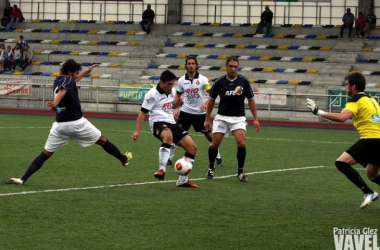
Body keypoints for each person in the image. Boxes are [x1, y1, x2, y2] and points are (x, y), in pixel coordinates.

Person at [10, 59, 133, 185]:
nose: (76, 76)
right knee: (102, 140)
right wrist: (55, 104)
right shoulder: (67, 80)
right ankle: (123, 159)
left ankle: (22, 179)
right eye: (75, 73)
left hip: (60, 127)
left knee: (45, 153)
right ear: (69, 72)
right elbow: (63, 90)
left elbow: (70, 83)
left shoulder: (59, 79)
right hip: (77, 124)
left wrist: (87, 71)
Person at [307, 72, 380, 209]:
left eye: (346, 85)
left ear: (353, 86)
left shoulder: (355, 100)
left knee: (341, 163)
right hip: (377, 140)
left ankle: (368, 192)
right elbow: (374, 119)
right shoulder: (371, 100)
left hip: (371, 140)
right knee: (372, 174)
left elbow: (342, 117)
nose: (345, 88)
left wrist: (318, 112)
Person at [132, 70, 199, 188]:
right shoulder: (152, 94)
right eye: (169, 84)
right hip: (158, 122)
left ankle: (183, 180)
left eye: (173, 84)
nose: (171, 87)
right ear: (161, 82)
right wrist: (137, 131)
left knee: (192, 148)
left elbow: (170, 106)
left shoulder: (172, 91)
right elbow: (142, 114)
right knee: (168, 136)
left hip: (172, 123)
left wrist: (178, 104)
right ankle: (162, 170)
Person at [204, 57, 260, 182]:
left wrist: (255, 119)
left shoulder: (244, 81)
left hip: (238, 118)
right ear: (226, 66)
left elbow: (251, 100)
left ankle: (240, 172)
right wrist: (207, 119)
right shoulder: (219, 82)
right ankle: (211, 167)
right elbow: (211, 101)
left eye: (235, 66)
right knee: (214, 144)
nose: (233, 69)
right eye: (231, 66)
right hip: (222, 117)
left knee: (241, 143)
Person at [168, 57, 223, 167]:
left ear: (196, 65)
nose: (191, 65)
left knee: (209, 136)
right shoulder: (181, 80)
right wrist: (177, 107)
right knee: (176, 134)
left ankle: (218, 156)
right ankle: (169, 158)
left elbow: (212, 94)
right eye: (189, 63)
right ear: (186, 65)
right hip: (186, 113)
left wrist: (205, 104)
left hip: (200, 114)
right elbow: (178, 94)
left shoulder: (203, 79)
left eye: (193, 63)